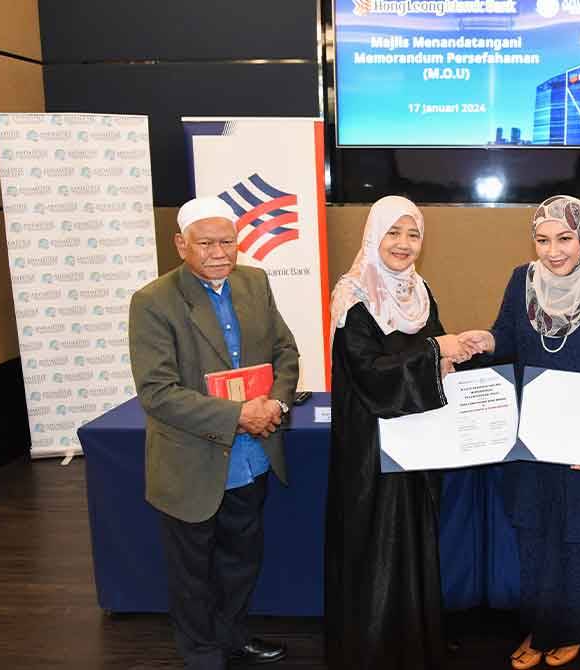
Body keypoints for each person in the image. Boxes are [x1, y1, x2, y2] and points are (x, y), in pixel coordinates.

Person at [459, 195, 580, 669]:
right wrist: (486, 340)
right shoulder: (521, 282)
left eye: (564, 238)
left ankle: (574, 630)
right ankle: (541, 628)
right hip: (534, 440)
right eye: (542, 240)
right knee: (536, 540)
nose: (553, 251)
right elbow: (506, 337)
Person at [129, 196, 300, 669]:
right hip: (191, 463)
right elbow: (157, 393)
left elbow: (286, 352)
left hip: (252, 457)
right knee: (192, 572)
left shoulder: (255, 282)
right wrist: (237, 416)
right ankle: (202, 653)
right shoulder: (152, 301)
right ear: (181, 244)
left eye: (228, 240)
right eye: (206, 243)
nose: (220, 252)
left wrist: (277, 403)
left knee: (241, 561)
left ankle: (233, 635)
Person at [325, 195, 475, 670]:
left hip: (418, 441)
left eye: (413, 235)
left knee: (414, 538)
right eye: (394, 233)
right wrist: (436, 350)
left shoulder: (418, 289)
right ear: (374, 235)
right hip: (371, 447)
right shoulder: (354, 294)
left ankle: (415, 641)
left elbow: (432, 347)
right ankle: (372, 649)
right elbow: (369, 371)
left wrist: (454, 355)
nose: (404, 244)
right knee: (376, 543)